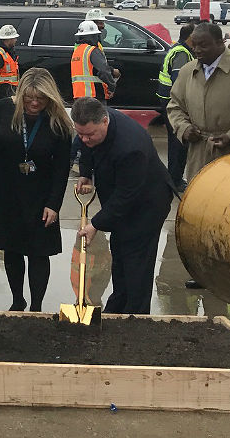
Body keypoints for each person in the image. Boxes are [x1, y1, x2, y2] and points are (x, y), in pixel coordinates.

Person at [167, 21, 230, 289]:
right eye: (194, 45)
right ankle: (204, 272)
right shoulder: (188, 72)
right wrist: (184, 129)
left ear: (220, 43)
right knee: (200, 214)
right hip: (199, 153)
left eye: (204, 45)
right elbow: (174, 106)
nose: (197, 50)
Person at [0, 68, 72, 311]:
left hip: (41, 195)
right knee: (12, 248)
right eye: (28, 98)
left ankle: (36, 306)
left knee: (39, 251)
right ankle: (17, 300)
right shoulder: (4, 108)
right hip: (7, 191)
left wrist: (54, 204)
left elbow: (62, 168)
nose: (34, 103)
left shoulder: (57, 121)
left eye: (40, 99)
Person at [73, 97, 173, 315]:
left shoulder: (130, 147)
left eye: (89, 134)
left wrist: (95, 224)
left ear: (104, 121)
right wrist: (85, 173)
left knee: (136, 262)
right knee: (119, 254)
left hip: (146, 205)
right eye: (80, 133)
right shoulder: (93, 125)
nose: (84, 139)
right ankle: (119, 305)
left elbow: (126, 196)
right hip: (123, 200)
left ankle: (136, 315)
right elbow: (85, 146)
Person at [156, 22, 195, 189]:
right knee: (178, 142)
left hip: (168, 100)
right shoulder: (181, 53)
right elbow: (179, 81)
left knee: (176, 141)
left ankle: (174, 177)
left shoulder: (179, 49)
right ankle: (175, 179)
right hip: (173, 103)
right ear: (191, 37)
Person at [70, 20, 117, 102]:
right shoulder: (92, 50)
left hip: (79, 95)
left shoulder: (77, 51)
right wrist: (111, 86)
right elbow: (104, 71)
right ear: (93, 36)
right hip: (94, 95)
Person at [0, 24, 21, 101]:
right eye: (14, 38)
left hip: (10, 89)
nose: (16, 40)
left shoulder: (10, 52)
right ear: (8, 39)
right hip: (2, 91)